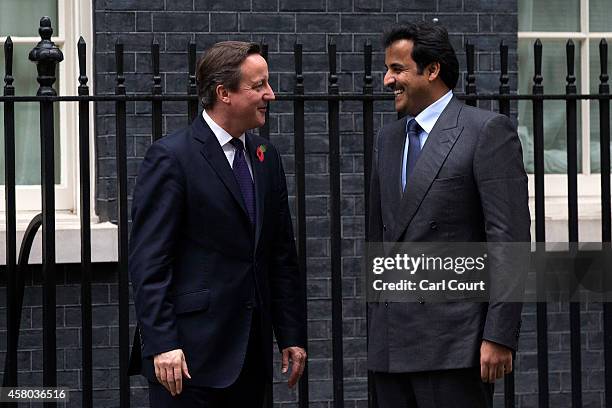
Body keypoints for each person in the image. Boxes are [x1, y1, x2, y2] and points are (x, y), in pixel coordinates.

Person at [128, 41, 307, 408]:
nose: (270, 95)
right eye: (258, 86)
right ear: (224, 93)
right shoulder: (172, 157)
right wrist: (162, 343)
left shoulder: (265, 157)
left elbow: (280, 254)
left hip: (249, 357)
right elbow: (150, 263)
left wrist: (291, 334)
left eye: (267, 84)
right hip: (187, 361)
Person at [367, 22, 530, 408]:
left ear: (432, 70)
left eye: (397, 68)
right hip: (391, 348)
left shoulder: (486, 131)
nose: (388, 80)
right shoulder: (388, 140)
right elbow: (379, 240)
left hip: (456, 347)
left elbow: (509, 240)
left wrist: (499, 334)